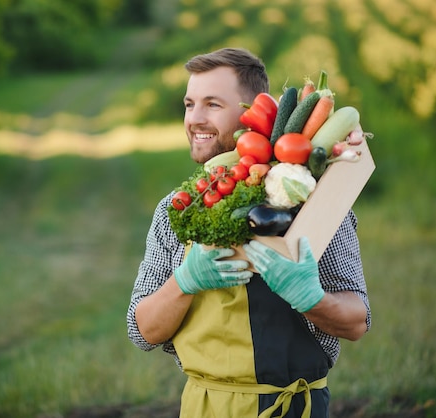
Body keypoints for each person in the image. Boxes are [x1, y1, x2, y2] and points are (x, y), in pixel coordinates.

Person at [126, 47, 371, 418]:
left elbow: (356, 322)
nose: (195, 118)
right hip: (205, 407)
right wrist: (184, 282)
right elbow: (141, 330)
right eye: (189, 104)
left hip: (293, 407)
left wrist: (311, 298)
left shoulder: (316, 205)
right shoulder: (175, 210)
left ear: (255, 116)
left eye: (212, 104)